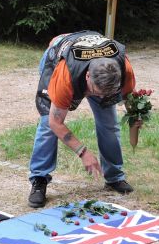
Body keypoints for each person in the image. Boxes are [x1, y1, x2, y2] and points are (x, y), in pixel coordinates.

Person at [27, 31, 138, 208]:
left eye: (106, 93)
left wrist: (135, 117)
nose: (100, 96)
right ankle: (39, 179)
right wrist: (83, 152)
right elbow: (55, 123)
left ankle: (114, 177)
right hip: (58, 57)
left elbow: (128, 97)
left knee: (109, 124)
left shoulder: (124, 69)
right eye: (96, 91)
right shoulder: (65, 75)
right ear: (87, 77)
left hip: (93, 66)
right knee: (47, 125)